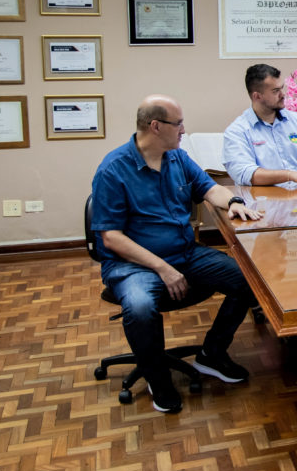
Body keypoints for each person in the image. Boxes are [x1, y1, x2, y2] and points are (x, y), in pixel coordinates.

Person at [90, 95, 263, 414]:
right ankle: (158, 378)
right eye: (178, 123)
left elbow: (209, 188)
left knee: (250, 280)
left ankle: (212, 354)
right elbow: (111, 237)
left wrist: (234, 202)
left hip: (184, 253)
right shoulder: (113, 169)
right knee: (141, 307)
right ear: (155, 126)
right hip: (133, 266)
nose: (184, 129)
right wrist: (163, 270)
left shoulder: (177, 158)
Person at [223, 64, 297, 188]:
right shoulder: (237, 131)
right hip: (263, 203)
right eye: (276, 91)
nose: (283, 94)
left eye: (282, 88)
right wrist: (290, 175)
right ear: (257, 96)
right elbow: (245, 173)